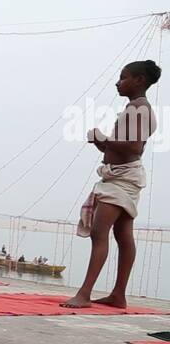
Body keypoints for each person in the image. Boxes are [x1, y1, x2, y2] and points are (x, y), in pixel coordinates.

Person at [63, 59, 162, 309]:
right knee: (122, 234)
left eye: (124, 77)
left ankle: (84, 293)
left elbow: (134, 147)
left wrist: (103, 137)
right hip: (123, 176)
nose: (118, 82)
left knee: (100, 232)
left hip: (121, 179)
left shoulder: (138, 109)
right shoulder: (136, 108)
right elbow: (122, 147)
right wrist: (100, 142)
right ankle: (118, 295)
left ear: (139, 80)